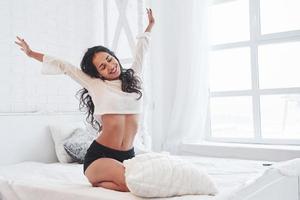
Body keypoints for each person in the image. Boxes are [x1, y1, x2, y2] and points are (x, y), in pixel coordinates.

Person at [15, 8, 155, 192]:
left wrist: (150, 26)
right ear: (97, 73)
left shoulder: (134, 78)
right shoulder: (96, 85)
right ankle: (98, 178)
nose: (110, 67)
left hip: (129, 154)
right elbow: (64, 66)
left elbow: (141, 51)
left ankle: (99, 182)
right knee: (133, 183)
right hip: (100, 156)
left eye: (110, 60)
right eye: (102, 67)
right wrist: (31, 53)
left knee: (138, 182)